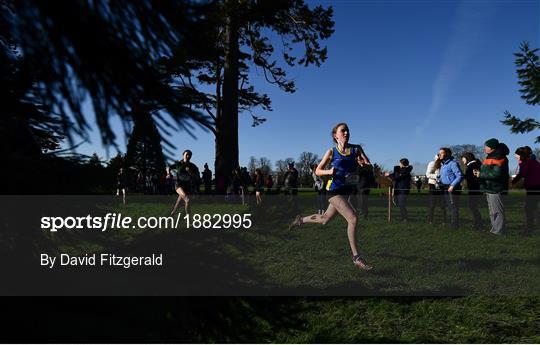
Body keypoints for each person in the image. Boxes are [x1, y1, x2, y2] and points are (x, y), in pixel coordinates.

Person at [289, 123, 373, 270]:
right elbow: (318, 171)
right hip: (333, 191)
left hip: (346, 190)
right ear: (335, 135)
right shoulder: (331, 152)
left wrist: (363, 165)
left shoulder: (356, 149)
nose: (346, 133)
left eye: (347, 130)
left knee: (324, 219)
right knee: (353, 218)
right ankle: (356, 257)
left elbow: (369, 166)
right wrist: (329, 172)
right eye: (343, 131)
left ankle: (300, 220)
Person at [473, 138, 510, 235]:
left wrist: (480, 175)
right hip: (489, 188)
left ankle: (499, 231)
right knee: (492, 211)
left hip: (496, 188)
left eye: (486, 146)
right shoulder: (490, 157)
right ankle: (494, 229)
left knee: (497, 211)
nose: (484, 148)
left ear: (492, 148)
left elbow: (496, 174)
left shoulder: (500, 158)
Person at [512, 146, 540, 234]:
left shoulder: (526, 162)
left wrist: (513, 181)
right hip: (535, 187)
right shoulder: (533, 162)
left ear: (521, 155)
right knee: (533, 208)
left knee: (529, 208)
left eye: (516, 154)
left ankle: (529, 228)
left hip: (534, 187)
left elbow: (522, 173)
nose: (515, 156)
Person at [438, 147, 463, 230]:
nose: (439, 154)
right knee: (450, 207)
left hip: (452, 188)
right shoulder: (443, 164)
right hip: (444, 188)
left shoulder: (453, 163)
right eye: (439, 153)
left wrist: (452, 185)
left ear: (447, 154)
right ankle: (454, 223)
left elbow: (460, 176)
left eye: (441, 153)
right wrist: (439, 180)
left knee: (453, 207)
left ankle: (454, 226)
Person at [170, 150, 199, 216]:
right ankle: (188, 220)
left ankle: (172, 214)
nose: (188, 156)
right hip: (179, 186)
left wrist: (190, 172)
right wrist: (168, 173)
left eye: (190, 155)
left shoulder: (192, 166)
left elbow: (197, 177)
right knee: (187, 200)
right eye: (187, 154)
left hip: (187, 186)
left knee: (179, 203)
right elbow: (169, 167)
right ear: (183, 155)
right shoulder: (178, 164)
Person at [461, 152, 483, 230]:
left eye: (463, 158)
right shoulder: (473, 165)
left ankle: (478, 224)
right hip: (474, 189)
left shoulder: (472, 165)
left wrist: (461, 175)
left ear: (467, 158)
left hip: (474, 189)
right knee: (473, 207)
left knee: (473, 207)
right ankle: (477, 223)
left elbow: (474, 177)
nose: (462, 160)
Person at [426, 154, 446, 226]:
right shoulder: (432, 163)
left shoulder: (444, 164)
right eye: (439, 158)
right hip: (433, 185)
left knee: (443, 204)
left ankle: (444, 221)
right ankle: (430, 220)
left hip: (442, 185)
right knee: (432, 204)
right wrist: (437, 176)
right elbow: (428, 174)